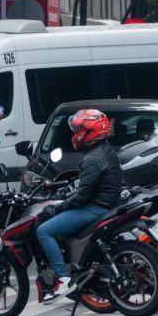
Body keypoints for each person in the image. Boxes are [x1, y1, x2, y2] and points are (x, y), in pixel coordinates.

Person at [36, 108, 122, 303]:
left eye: (78, 130)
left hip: (94, 208)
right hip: (107, 204)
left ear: (88, 131)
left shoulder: (93, 157)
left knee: (44, 230)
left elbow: (83, 196)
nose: (76, 135)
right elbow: (87, 185)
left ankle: (63, 278)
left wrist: (57, 207)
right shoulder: (106, 151)